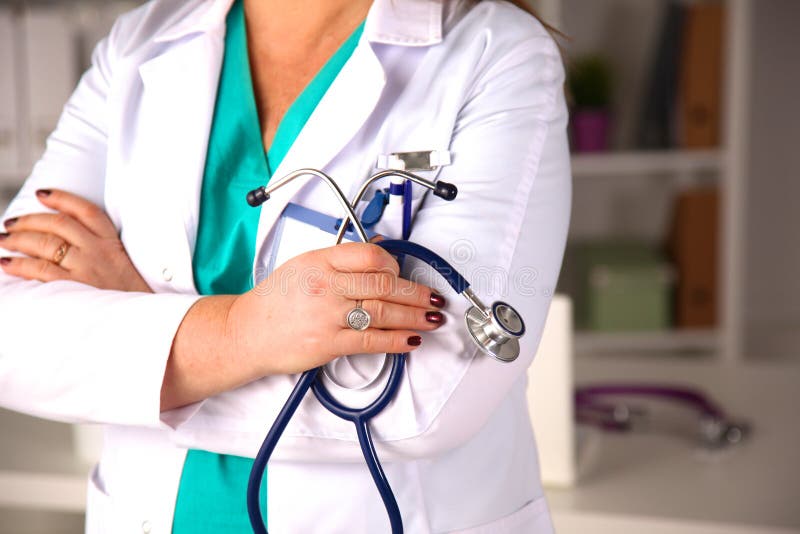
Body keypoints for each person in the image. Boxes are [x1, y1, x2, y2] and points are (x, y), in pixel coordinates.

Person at [0, 0, 571, 531]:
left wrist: (144, 338)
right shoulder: (141, 40)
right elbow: (12, 336)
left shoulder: (496, 51)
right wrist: (242, 332)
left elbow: (428, 399)